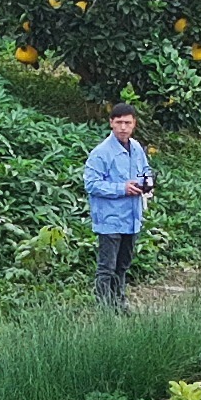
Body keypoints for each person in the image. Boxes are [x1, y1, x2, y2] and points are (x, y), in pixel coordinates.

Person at [82, 104, 157, 310]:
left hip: (132, 217)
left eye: (127, 123)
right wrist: (122, 188)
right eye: (119, 122)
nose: (123, 127)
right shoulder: (101, 153)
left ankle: (119, 303)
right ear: (111, 123)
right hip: (110, 218)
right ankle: (104, 308)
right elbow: (91, 184)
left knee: (123, 265)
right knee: (107, 267)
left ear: (134, 124)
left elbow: (145, 171)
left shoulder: (136, 148)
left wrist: (146, 184)